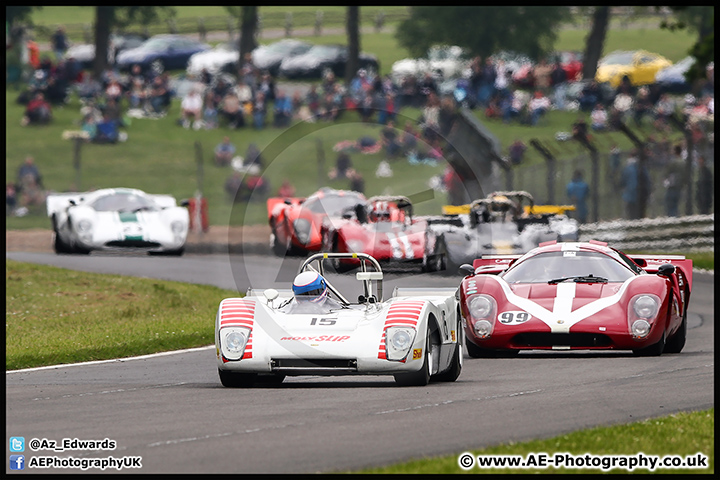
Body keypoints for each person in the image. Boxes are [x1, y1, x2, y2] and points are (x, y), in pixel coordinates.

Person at [619, 152, 651, 220]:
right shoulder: (642, 167)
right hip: (642, 196)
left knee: (632, 216)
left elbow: (622, 182)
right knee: (641, 216)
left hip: (631, 196)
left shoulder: (628, 168)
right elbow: (647, 181)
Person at [662, 145, 686, 217]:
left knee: (670, 203)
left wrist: (664, 179)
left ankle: (672, 217)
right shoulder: (683, 162)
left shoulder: (673, 162)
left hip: (672, 185)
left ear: (675, 151)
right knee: (676, 203)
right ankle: (676, 216)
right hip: (680, 185)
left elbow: (667, 172)